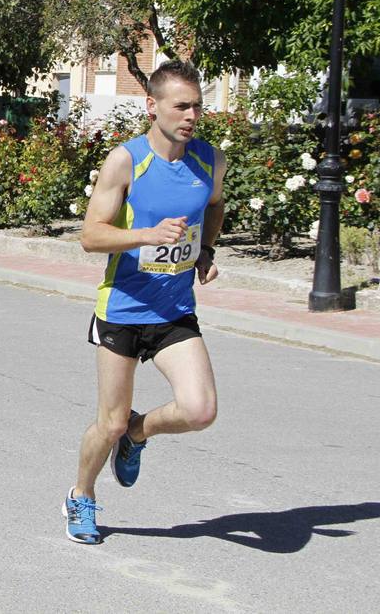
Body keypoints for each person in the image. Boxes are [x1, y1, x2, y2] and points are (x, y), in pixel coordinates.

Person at [63, 60, 226, 545]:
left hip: (174, 310)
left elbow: (214, 206)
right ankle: (81, 495)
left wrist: (206, 252)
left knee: (199, 411)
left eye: (197, 105)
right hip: (123, 311)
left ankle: (140, 432)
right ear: (152, 106)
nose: (192, 115)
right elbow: (90, 236)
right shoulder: (126, 161)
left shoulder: (209, 160)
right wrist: (144, 236)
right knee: (107, 422)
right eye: (182, 106)